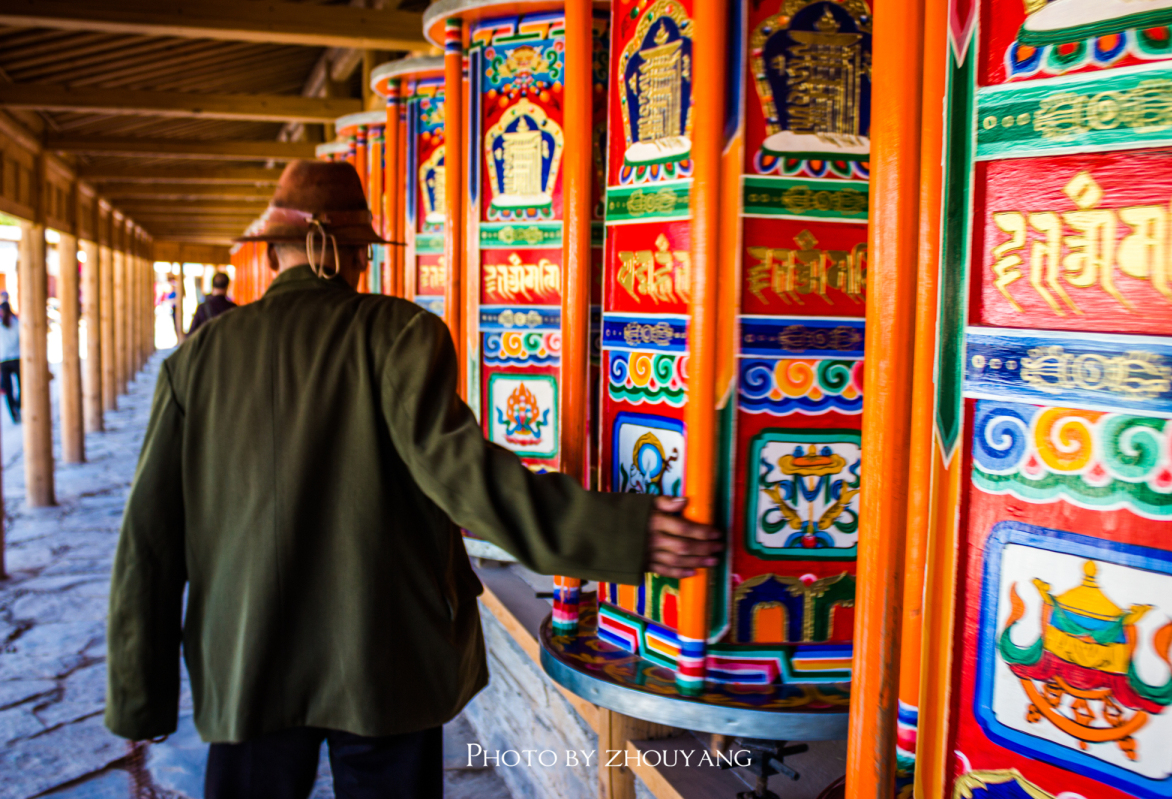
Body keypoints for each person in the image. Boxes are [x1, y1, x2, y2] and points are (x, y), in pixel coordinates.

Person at [105, 161, 723, 799]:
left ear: (272, 257)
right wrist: (623, 531)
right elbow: (469, 483)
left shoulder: (196, 360)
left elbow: (148, 544)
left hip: (244, 657)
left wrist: (139, 697)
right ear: (355, 256)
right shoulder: (400, 334)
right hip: (383, 655)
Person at [186, 271, 236, 335]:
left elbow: (191, 334)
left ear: (212, 286)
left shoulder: (202, 308)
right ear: (227, 286)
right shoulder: (233, 308)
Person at [0, 296, 20, 423]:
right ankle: (18, 405)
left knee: (8, 389)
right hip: (16, 357)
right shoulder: (16, 322)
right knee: (20, 385)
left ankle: (13, 411)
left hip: (4, 359)